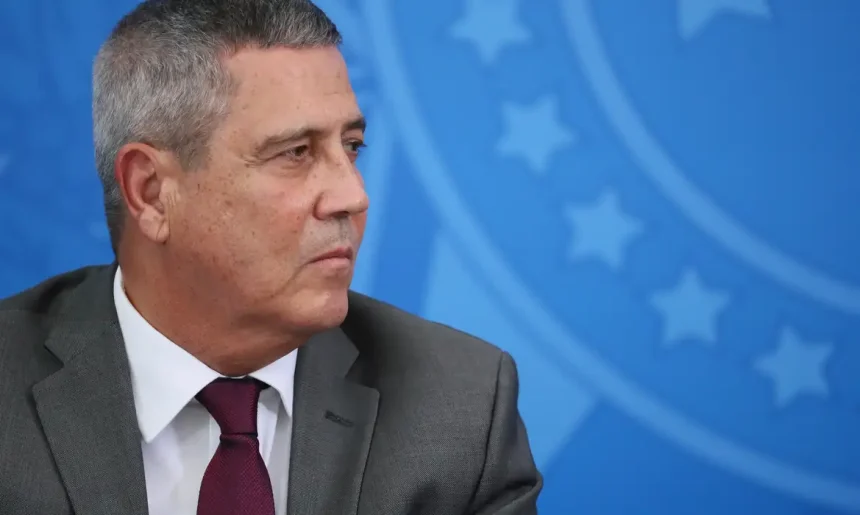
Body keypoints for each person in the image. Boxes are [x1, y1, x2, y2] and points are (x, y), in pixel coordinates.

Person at [0, 0, 542, 513]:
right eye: (295, 153)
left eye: (351, 146)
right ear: (151, 192)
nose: (353, 196)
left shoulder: (458, 407)